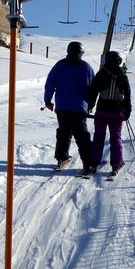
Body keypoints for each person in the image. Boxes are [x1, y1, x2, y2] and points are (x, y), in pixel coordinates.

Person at [43, 41, 95, 173]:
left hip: (62, 107)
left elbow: (50, 84)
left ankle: (62, 158)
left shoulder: (59, 65)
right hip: (79, 108)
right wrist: (90, 104)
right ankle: (88, 163)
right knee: (81, 135)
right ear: (81, 53)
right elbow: (93, 89)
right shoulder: (86, 67)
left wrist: (48, 101)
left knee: (63, 133)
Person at [88, 50, 132, 174]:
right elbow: (127, 95)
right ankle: (116, 164)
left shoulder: (101, 73)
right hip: (117, 113)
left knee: (98, 137)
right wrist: (127, 111)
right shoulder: (122, 75)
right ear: (119, 62)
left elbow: (93, 91)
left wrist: (90, 106)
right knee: (115, 138)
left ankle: (94, 163)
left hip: (102, 111)